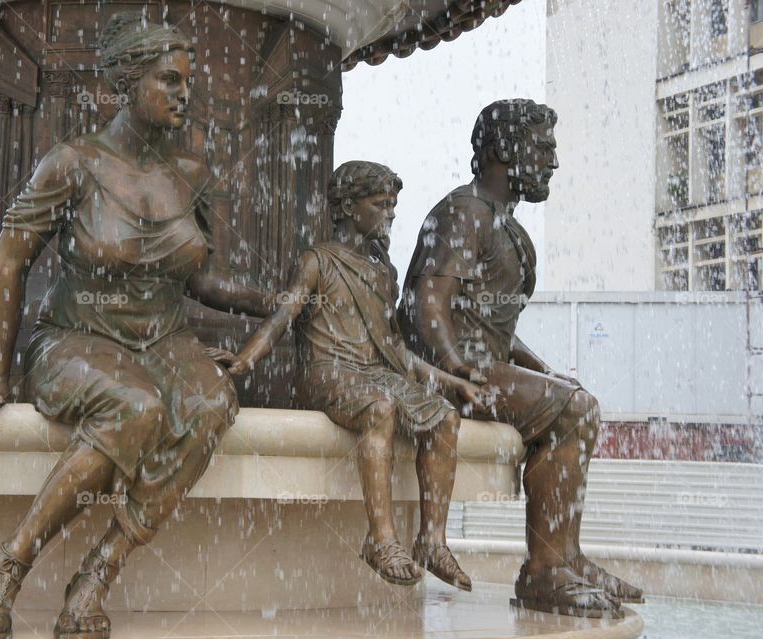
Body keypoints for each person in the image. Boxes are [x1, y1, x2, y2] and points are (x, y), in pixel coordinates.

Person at [0, 13, 273, 638]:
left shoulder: (194, 176)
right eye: (168, 81)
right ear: (126, 83)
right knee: (135, 404)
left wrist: (274, 300)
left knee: (209, 404)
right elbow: (9, 261)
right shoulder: (72, 163)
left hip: (164, 338)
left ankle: (98, 572)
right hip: (75, 337)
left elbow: (201, 280)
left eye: (188, 83)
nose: (184, 95)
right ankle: (9, 563)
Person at [398, 99, 643, 618]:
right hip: (446, 376)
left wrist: (543, 372)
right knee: (576, 408)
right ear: (505, 150)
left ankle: (565, 556)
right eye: (542, 148)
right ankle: (545, 570)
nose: (552, 161)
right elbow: (427, 303)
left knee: (573, 399)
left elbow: (494, 329)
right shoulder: (465, 212)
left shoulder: (505, 225)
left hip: (480, 366)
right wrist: (453, 368)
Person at [229, 161, 484, 589]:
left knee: (445, 419)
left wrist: (451, 382)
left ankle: (431, 541)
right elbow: (281, 319)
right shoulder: (317, 260)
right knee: (379, 409)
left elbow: (396, 349)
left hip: (373, 372)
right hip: (326, 372)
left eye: (394, 206)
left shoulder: (382, 272)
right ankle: (381, 539)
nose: (390, 214)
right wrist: (243, 361)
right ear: (348, 206)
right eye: (381, 204)